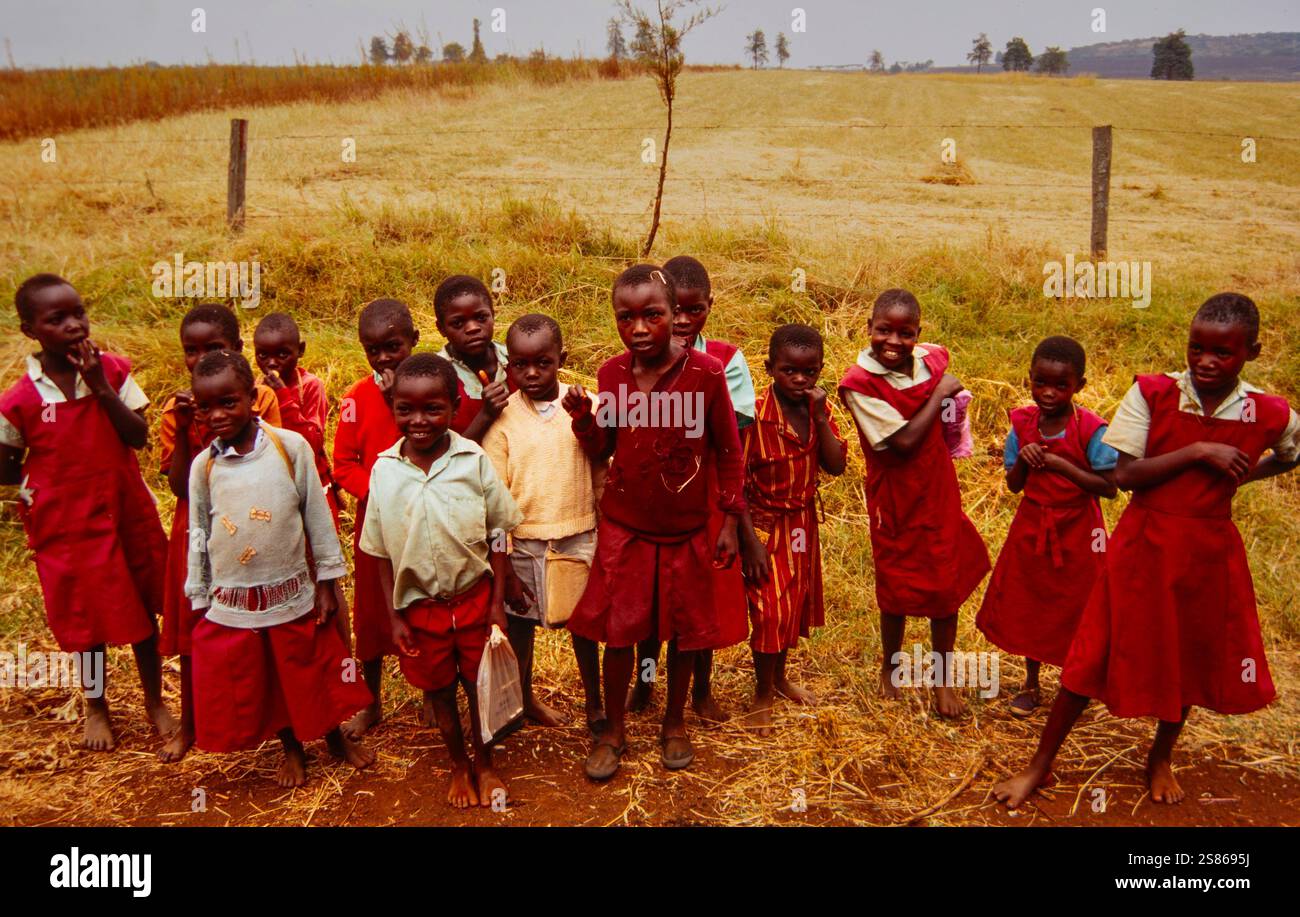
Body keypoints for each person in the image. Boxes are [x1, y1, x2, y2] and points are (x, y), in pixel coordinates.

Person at [994, 294, 1300, 808]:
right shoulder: (1153, 394)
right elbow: (1126, 476)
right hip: (1142, 543)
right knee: (1090, 653)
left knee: (1186, 654)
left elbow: (1292, 453)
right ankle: (1039, 766)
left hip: (1207, 550)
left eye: (1222, 353)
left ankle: (1160, 757)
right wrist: (1201, 452)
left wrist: (1241, 478)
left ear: (1252, 351)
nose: (1205, 361)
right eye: (1196, 347)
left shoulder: (1267, 411)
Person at [564, 265, 755, 780]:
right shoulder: (612, 375)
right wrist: (584, 417)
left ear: (676, 317)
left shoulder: (707, 374)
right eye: (626, 318)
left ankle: (674, 723)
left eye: (653, 315)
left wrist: (730, 523)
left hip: (688, 527)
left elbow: (729, 454)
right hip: (625, 526)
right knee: (620, 632)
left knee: (687, 633)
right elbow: (602, 447)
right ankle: (616, 731)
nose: (640, 329)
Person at [0, 274, 174, 752]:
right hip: (68, 525)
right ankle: (97, 706)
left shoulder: (114, 372)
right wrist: (31, 501)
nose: (74, 325)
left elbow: (136, 436)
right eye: (57, 319)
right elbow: (7, 466)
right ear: (29, 330)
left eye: (79, 313)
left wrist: (99, 386)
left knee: (141, 604)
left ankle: (155, 701)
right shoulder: (20, 400)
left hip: (124, 510)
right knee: (86, 617)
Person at [185, 350, 374, 786]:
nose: (216, 415)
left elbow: (316, 517)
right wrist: (200, 591)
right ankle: (291, 748)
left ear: (253, 398)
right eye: (205, 407)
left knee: (312, 669)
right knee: (271, 680)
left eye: (228, 403)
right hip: (239, 598)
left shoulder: (290, 448)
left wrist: (327, 581)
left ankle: (334, 738)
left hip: (293, 591)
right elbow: (198, 532)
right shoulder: (204, 467)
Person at [359, 353, 522, 808]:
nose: (419, 421)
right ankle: (457, 764)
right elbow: (378, 552)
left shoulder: (473, 461)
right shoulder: (384, 471)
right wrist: (393, 617)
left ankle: (487, 762)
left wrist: (496, 606)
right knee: (440, 690)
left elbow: (499, 532)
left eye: (433, 409)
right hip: (420, 609)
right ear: (392, 406)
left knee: (479, 687)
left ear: (454, 406)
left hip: (474, 599)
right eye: (405, 409)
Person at [838, 288, 990, 718]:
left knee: (945, 579)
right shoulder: (859, 384)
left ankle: (941, 678)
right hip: (894, 496)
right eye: (883, 330)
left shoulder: (929, 361)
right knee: (896, 580)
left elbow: (939, 358)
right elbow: (900, 445)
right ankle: (892, 665)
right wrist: (940, 393)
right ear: (868, 329)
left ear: (917, 334)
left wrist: (943, 395)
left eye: (905, 333)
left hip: (937, 488)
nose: (893, 342)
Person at [629, 255, 757, 721]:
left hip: (705, 500)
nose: (683, 321)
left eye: (694, 311)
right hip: (653, 498)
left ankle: (700, 690)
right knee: (648, 605)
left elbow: (733, 446)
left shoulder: (725, 361)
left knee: (701, 601)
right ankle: (644, 687)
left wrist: (732, 519)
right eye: (675, 309)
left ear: (709, 307)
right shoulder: (640, 353)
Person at [157, 303, 281, 760]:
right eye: (191, 350)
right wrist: (190, 426)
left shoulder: (260, 399)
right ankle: (191, 722)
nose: (200, 358)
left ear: (238, 350)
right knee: (197, 625)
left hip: (253, 520)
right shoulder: (178, 409)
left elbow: (274, 462)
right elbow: (177, 487)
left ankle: (276, 723)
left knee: (267, 624)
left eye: (214, 348)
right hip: (197, 526)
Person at [975, 336, 1118, 716]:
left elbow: (1109, 488)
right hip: (1033, 524)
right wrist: (1023, 459)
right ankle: (1031, 683)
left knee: (1080, 604)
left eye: (1060, 385)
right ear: (1029, 380)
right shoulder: (1023, 425)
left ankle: (1078, 680)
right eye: (1040, 383)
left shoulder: (1092, 430)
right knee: (1031, 602)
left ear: (1079, 387)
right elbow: (1013, 483)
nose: (1048, 392)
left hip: (1080, 530)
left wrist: (1061, 466)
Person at [482, 314, 602, 730]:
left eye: (543, 363)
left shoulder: (587, 403)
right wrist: (508, 566)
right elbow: (495, 499)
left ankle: (595, 705)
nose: (531, 374)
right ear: (507, 364)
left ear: (561, 359)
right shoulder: (503, 418)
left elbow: (602, 469)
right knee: (520, 630)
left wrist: (603, 531)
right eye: (519, 365)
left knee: (584, 627)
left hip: (579, 535)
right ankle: (523, 700)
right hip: (524, 542)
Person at [739, 324, 847, 735]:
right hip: (765, 526)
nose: (800, 381)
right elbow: (737, 480)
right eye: (789, 372)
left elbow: (836, 465)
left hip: (803, 523)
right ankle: (762, 694)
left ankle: (780, 679)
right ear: (770, 368)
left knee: (793, 605)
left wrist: (820, 417)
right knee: (770, 611)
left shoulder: (820, 411)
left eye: (810, 372)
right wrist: (749, 538)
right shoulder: (755, 414)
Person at [332, 298, 416, 738]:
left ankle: (431, 694)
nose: (383, 358)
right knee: (371, 613)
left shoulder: (428, 387)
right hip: (375, 523)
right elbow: (342, 463)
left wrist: (395, 399)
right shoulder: (353, 398)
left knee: (424, 604)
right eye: (373, 349)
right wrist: (379, 494)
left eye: (393, 346)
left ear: (414, 342)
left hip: (424, 518)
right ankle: (372, 701)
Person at [434, 275, 512, 441]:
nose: (472, 328)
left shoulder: (516, 360)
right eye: (458, 323)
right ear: (441, 329)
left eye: (481, 318)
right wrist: (486, 414)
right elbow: (444, 453)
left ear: (493, 315)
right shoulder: (434, 376)